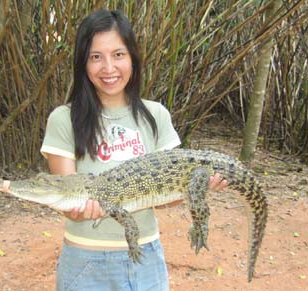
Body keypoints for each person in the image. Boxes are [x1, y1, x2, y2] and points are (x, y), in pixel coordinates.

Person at [40, 9, 227, 291]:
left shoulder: (156, 115)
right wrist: (80, 210)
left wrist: (196, 187)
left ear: (132, 58)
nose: (108, 68)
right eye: (95, 57)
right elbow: (68, 203)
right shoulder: (63, 119)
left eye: (118, 54)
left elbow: (168, 198)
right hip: (85, 261)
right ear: (82, 62)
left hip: (145, 257)